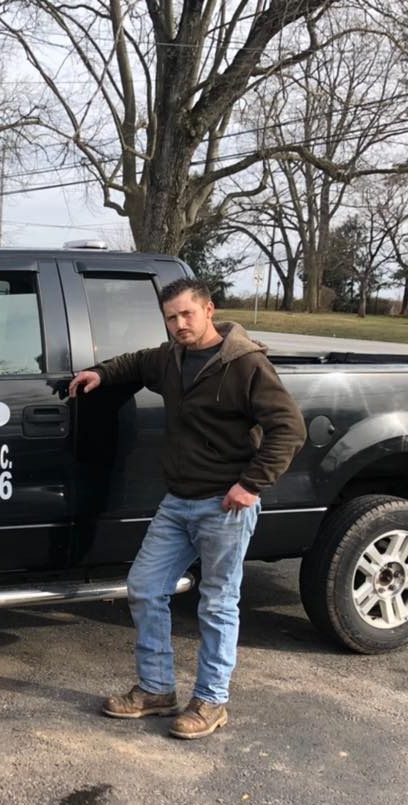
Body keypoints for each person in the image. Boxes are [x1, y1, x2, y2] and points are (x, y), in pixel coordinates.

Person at [69, 277, 306, 739]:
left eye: (186, 315)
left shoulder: (245, 365)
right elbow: (138, 362)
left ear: (209, 310)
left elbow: (288, 428)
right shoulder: (171, 358)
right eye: (171, 317)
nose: (179, 324)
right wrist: (101, 373)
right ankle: (157, 690)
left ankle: (212, 701)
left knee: (217, 604)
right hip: (177, 501)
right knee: (144, 586)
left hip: (226, 505)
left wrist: (251, 485)